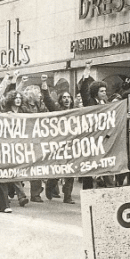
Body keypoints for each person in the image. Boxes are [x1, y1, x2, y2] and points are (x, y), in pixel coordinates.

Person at [41, 75, 76, 204]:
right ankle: (50, 186)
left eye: (69, 98)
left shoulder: (76, 112)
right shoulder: (57, 110)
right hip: (59, 146)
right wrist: (44, 83)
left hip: (72, 145)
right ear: (61, 100)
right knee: (58, 170)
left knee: (71, 171)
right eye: (64, 98)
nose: (67, 100)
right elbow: (47, 99)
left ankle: (68, 196)